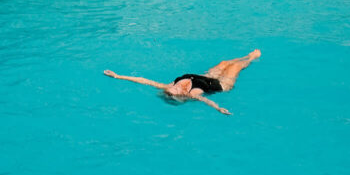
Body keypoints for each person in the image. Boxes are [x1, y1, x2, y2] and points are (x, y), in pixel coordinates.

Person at [103, 49, 261, 116]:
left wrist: (118, 76)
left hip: (204, 77)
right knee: (236, 66)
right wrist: (219, 109)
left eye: (173, 88)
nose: (175, 87)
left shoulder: (168, 86)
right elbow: (206, 100)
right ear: (181, 95)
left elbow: (144, 81)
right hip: (221, 85)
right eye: (176, 91)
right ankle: (252, 57)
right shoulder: (192, 94)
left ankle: (243, 56)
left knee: (224, 62)